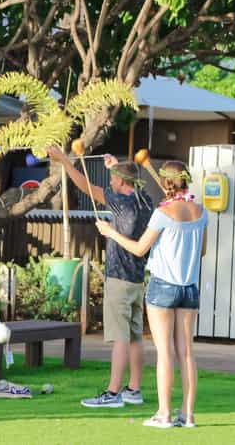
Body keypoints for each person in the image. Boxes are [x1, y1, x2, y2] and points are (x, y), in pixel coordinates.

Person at [96, 161, 207, 428]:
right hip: (189, 288)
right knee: (187, 353)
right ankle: (187, 415)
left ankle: (164, 414)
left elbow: (139, 249)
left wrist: (110, 232)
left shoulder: (163, 213)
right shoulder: (201, 211)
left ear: (166, 183)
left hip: (163, 286)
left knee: (165, 353)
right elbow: (202, 251)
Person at [48, 147, 152, 408]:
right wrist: (115, 165)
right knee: (135, 337)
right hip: (137, 279)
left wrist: (65, 161)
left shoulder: (120, 201)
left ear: (123, 182)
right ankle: (134, 390)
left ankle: (113, 393)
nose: (110, 182)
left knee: (120, 338)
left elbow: (85, 186)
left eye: (113, 179)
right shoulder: (145, 199)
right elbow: (123, 182)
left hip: (119, 278)